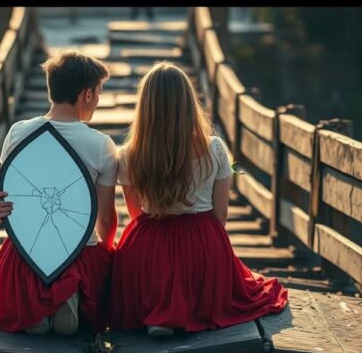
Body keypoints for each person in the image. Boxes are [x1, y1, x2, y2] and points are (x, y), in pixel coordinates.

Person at [108, 61, 288, 337]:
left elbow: (136, 215)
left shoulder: (128, 153)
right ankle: (186, 306)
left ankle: (158, 312)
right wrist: (203, 250)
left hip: (151, 239)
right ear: (188, 103)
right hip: (201, 238)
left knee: (145, 255)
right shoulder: (214, 148)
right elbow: (220, 215)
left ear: (145, 106)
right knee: (220, 275)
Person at [0, 50, 119, 336]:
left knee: (24, 254)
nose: (98, 100)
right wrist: (106, 259)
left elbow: (8, 202)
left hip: (27, 253)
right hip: (80, 254)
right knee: (98, 251)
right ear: (87, 94)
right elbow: (105, 218)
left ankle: (33, 308)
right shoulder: (101, 145)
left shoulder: (18, 132)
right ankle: (67, 295)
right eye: (99, 93)